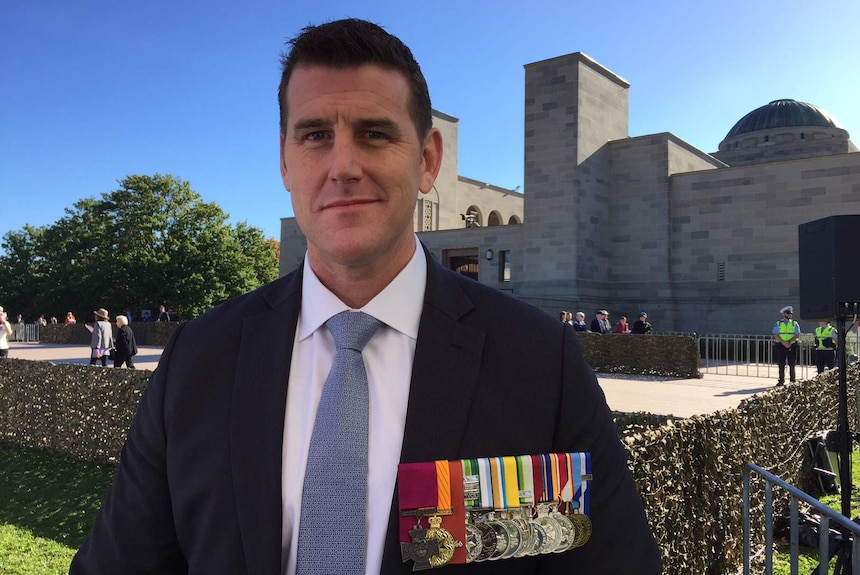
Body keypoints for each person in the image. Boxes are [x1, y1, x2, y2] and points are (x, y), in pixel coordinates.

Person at [71, 19, 660, 575]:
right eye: (315, 136)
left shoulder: (538, 363)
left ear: (428, 160)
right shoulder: (199, 358)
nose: (343, 165)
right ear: (284, 161)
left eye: (374, 134)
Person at [772, 305, 801, 386]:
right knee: (781, 363)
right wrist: (784, 342)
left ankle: (792, 380)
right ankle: (781, 380)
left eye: (791, 314)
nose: (790, 315)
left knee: (792, 363)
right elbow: (776, 334)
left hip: (792, 345)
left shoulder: (795, 324)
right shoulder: (778, 323)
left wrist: (789, 342)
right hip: (781, 345)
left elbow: (797, 335)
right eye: (788, 313)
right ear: (784, 314)